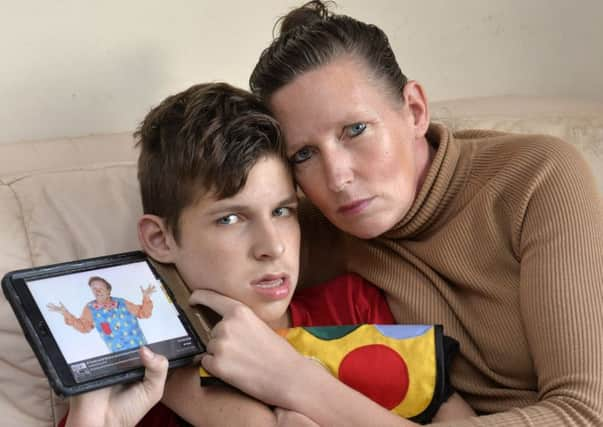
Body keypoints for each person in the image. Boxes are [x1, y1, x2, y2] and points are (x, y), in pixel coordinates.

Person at [190, 1, 602, 426]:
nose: (337, 178)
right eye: (305, 153)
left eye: (355, 130)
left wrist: (298, 383)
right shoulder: (306, 227)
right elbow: (165, 297)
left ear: (415, 110)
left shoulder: (536, 177)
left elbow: (585, 413)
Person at [59, 82, 473, 426]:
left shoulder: (353, 307)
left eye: (281, 211)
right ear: (161, 239)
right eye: (230, 219)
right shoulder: (138, 384)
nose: (272, 247)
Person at [48, 276, 156, 352]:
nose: (97, 291)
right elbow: (84, 328)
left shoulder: (121, 302)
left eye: (100, 288)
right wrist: (65, 313)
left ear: (108, 290)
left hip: (143, 349)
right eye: (94, 289)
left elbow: (144, 313)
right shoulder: (90, 308)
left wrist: (146, 297)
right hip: (121, 356)